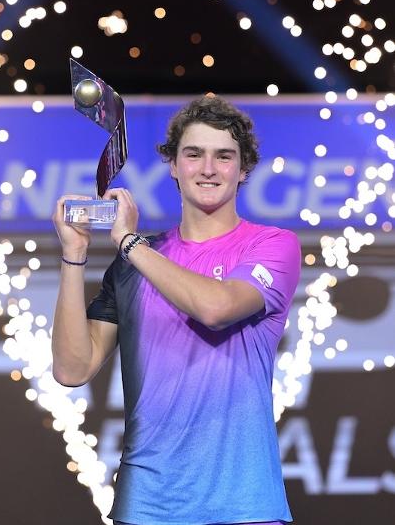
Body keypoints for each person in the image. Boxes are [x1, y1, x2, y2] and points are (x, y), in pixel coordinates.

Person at [52, 96, 301, 525]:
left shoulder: (273, 245)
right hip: (146, 505)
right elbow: (72, 370)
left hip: (243, 505)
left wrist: (130, 244)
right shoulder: (134, 265)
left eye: (224, 157)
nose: (208, 168)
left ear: (243, 170)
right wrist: (74, 257)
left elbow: (216, 306)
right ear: (173, 165)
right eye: (193, 154)